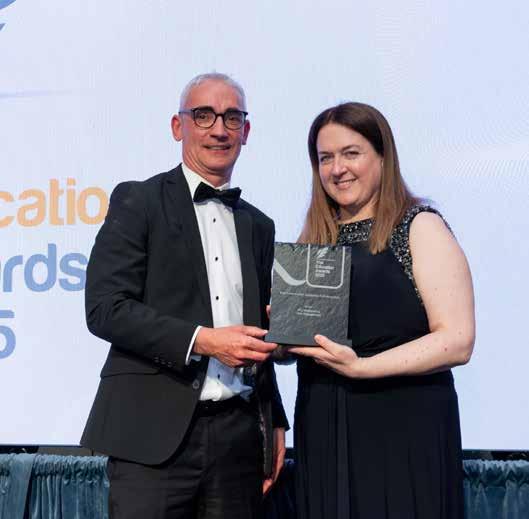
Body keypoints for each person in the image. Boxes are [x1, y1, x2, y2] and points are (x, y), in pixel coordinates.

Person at [81, 72, 288, 519]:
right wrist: (205, 341)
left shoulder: (259, 225)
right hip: (150, 435)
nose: (219, 129)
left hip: (238, 436)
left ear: (246, 131)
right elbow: (106, 309)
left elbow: (259, 330)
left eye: (232, 118)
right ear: (179, 127)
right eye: (204, 115)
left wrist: (274, 418)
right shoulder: (138, 201)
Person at [288, 102, 475, 519]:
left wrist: (363, 368)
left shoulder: (419, 226)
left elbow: (458, 340)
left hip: (403, 426)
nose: (338, 169)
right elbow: (303, 341)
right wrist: (281, 333)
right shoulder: (313, 238)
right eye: (325, 158)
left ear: (383, 156)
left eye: (351, 153)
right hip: (323, 424)